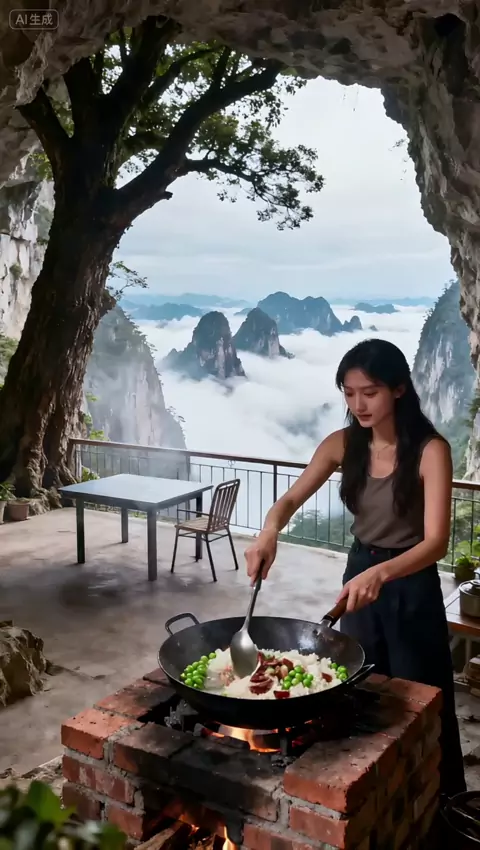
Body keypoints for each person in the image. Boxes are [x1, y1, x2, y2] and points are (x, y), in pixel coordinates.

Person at [244, 338, 465, 798]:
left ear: (399, 389)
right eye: (349, 393)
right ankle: (371, 802)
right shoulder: (344, 444)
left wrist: (382, 574)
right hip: (360, 570)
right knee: (359, 689)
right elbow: (289, 499)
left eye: (370, 392)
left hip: (410, 581)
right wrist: (269, 530)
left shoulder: (430, 450)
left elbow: (436, 543)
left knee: (420, 698)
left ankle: (439, 805)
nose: (358, 404)